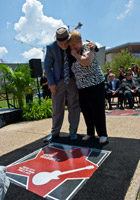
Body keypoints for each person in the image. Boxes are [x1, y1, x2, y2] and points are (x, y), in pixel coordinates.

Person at [44, 27, 98, 142]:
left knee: (74, 106)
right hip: (58, 82)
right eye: (61, 43)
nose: (64, 45)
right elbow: (47, 67)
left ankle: (73, 132)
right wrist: (51, 83)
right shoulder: (50, 48)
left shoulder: (71, 44)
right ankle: (55, 132)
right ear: (56, 41)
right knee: (57, 107)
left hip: (73, 80)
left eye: (65, 42)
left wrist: (95, 47)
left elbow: (83, 49)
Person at [68, 30, 108, 143]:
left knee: (97, 110)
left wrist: (76, 55)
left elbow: (87, 61)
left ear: (80, 41)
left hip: (95, 84)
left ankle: (102, 134)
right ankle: (90, 133)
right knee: (86, 111)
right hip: (82, 87)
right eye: (71, 46)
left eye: (74, 45)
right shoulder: (71, 52)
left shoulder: (87, 47)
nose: (72, 47)